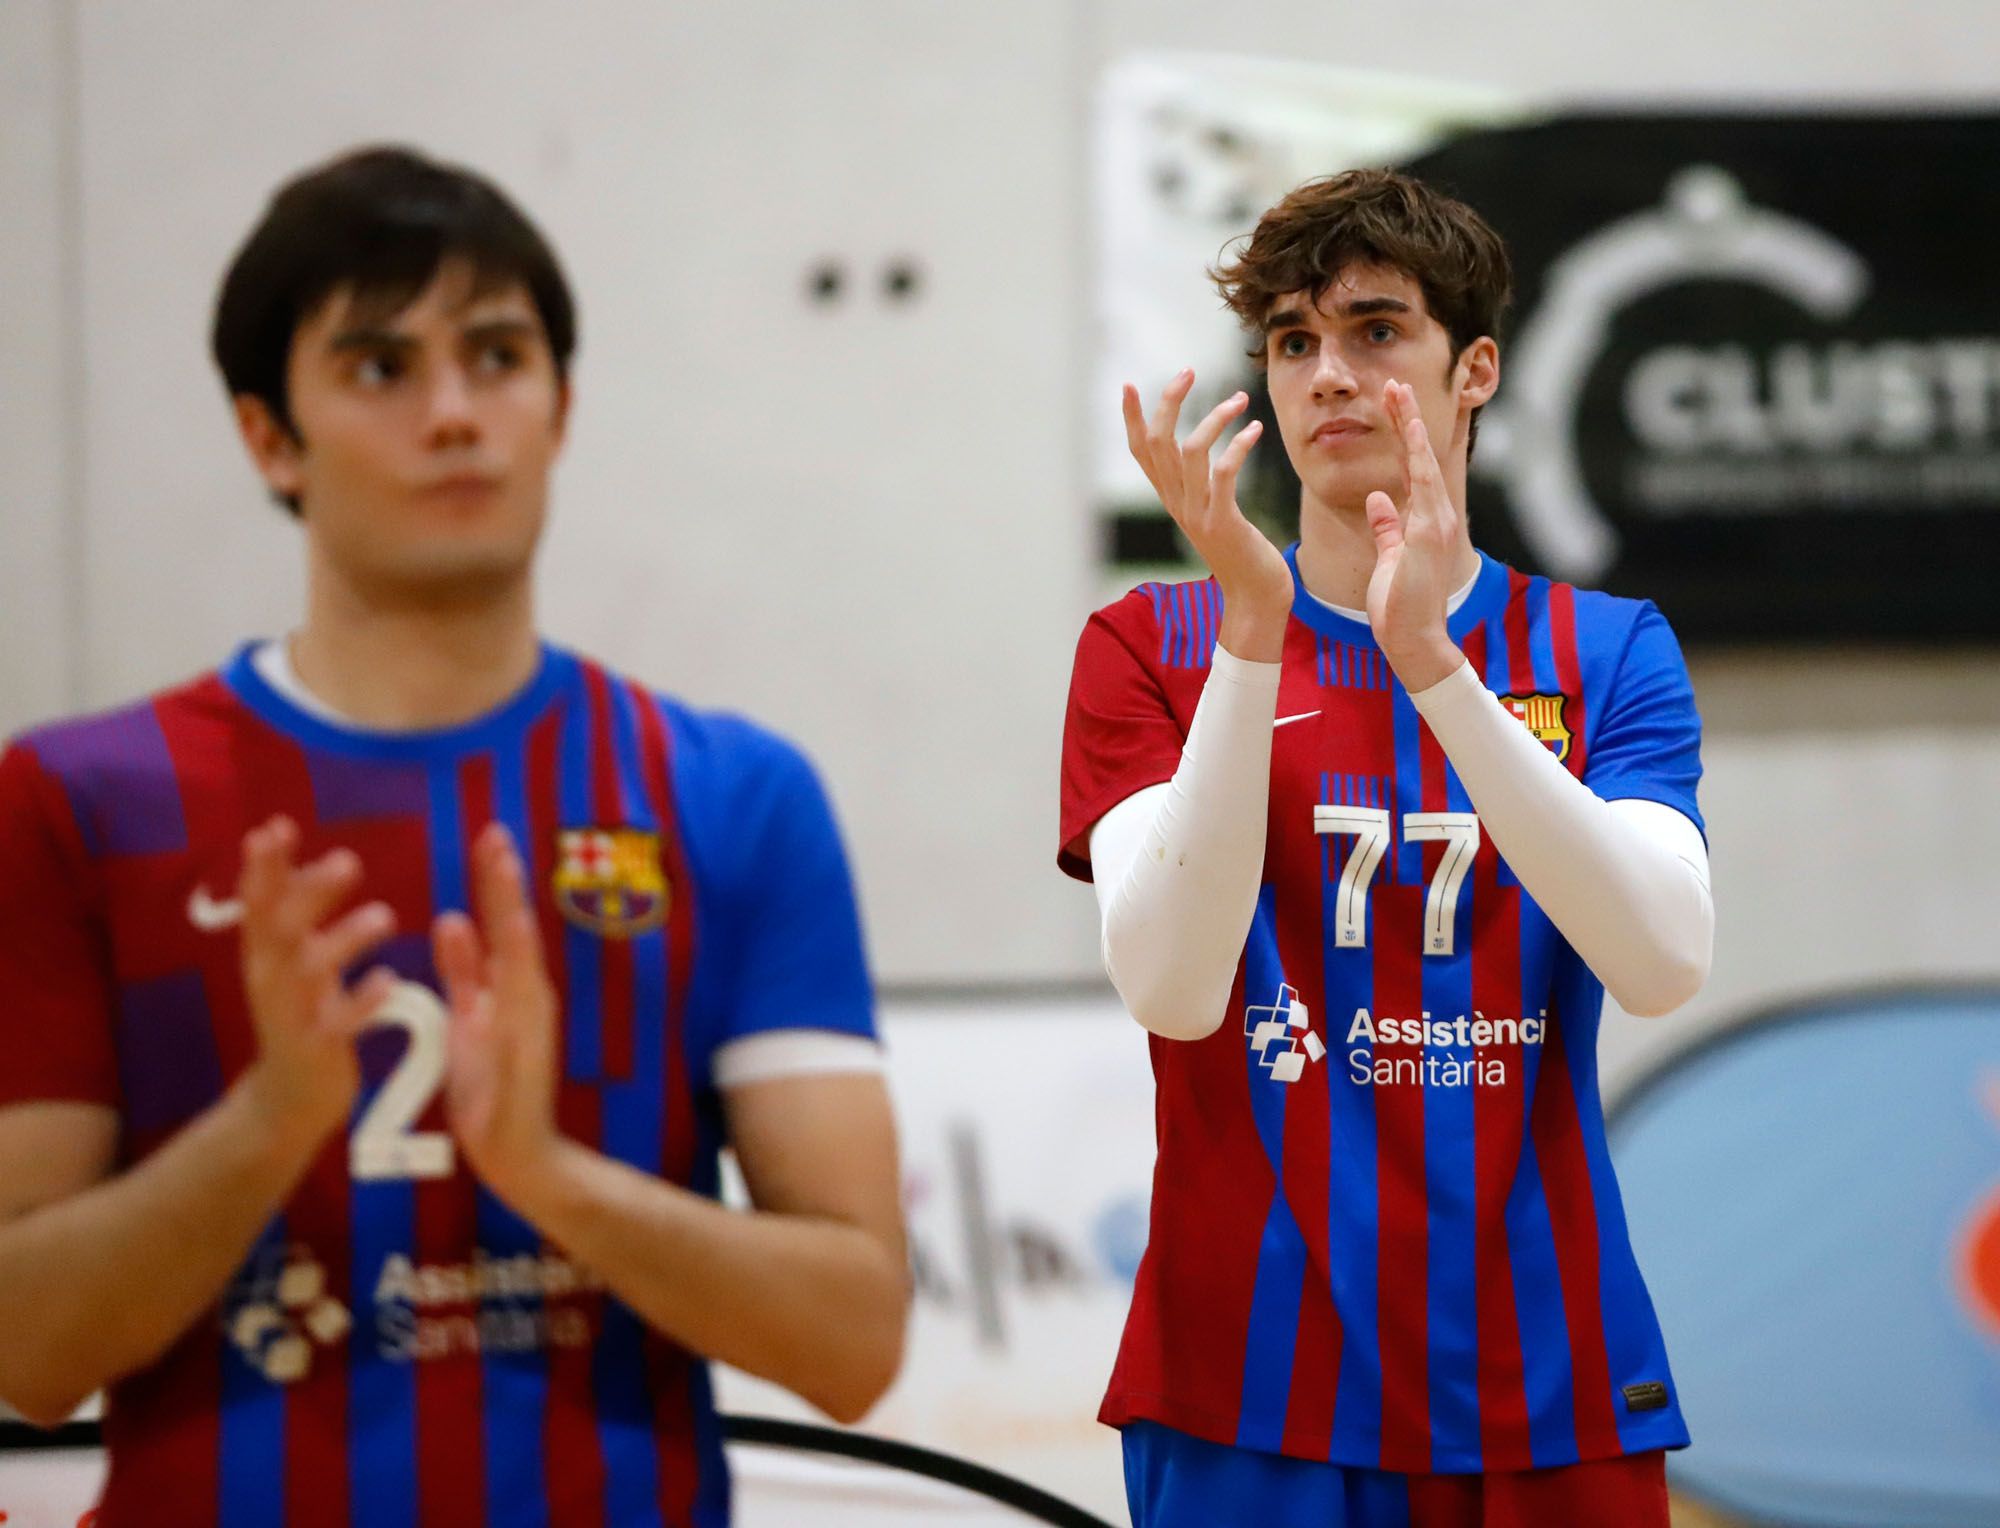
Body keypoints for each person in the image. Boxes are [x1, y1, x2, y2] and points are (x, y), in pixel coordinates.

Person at [0, 145, 908, 1527]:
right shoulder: (81, 799)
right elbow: (27, 1355)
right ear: (268, 436)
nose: (453, 414)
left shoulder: (731, 794)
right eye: (379, 367)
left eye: (497, 356)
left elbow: (853, 1342)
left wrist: (550, 1178)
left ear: (561, 406)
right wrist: (267, 1125)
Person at [1059, 168, 1712, 1526]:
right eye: (1293, 343)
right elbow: (1174, 990)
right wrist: (1255, 636)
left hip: (1548, 1372)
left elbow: (1661, 963)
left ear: (1475, 369)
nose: (1329, 376)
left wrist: (1432, 667)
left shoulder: (1609, 651)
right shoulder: (1157, 644)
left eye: (1375, 331)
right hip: (1250, 1375)